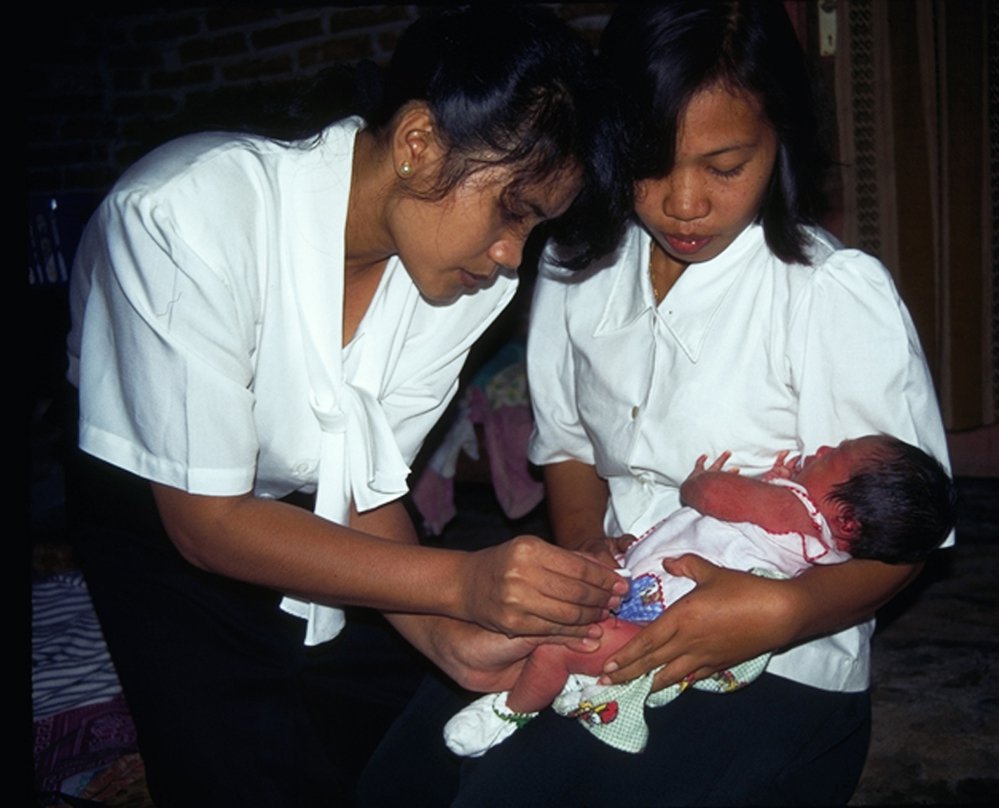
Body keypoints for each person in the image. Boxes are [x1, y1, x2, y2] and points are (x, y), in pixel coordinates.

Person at [358, 2, 953, 805]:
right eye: (650, 161)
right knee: (406, 780)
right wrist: (583, 561)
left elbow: (903, 531)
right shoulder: (577, 272)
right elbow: (567, 444)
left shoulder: (829, 294)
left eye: (723, 164)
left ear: (780, 141)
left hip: (777, 659)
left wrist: (779, 613)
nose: (682, 203)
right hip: (619, 605)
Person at [65, 7, 633, 807]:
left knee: (377, 736)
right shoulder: (182, 217)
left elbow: (361, 472)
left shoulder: (465, 282)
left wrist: (450, 635)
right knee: (226, 761)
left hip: (302, 499)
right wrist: (458, 585)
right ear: (417, 144)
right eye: (512, 210)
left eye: (535, 228)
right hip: (156, 505)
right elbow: (207, 524)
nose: (513, 256)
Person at [443, 435, 956, 756]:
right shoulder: (819, 542)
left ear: (844, 518)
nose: (820, 450)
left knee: (557, 640)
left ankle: (508, 713)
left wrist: (704, 480)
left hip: (652, 623)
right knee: (554, 610)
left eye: (835, 458)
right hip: (646, 594)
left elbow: (709, 497)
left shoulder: (792, 507)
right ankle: (564, 683)